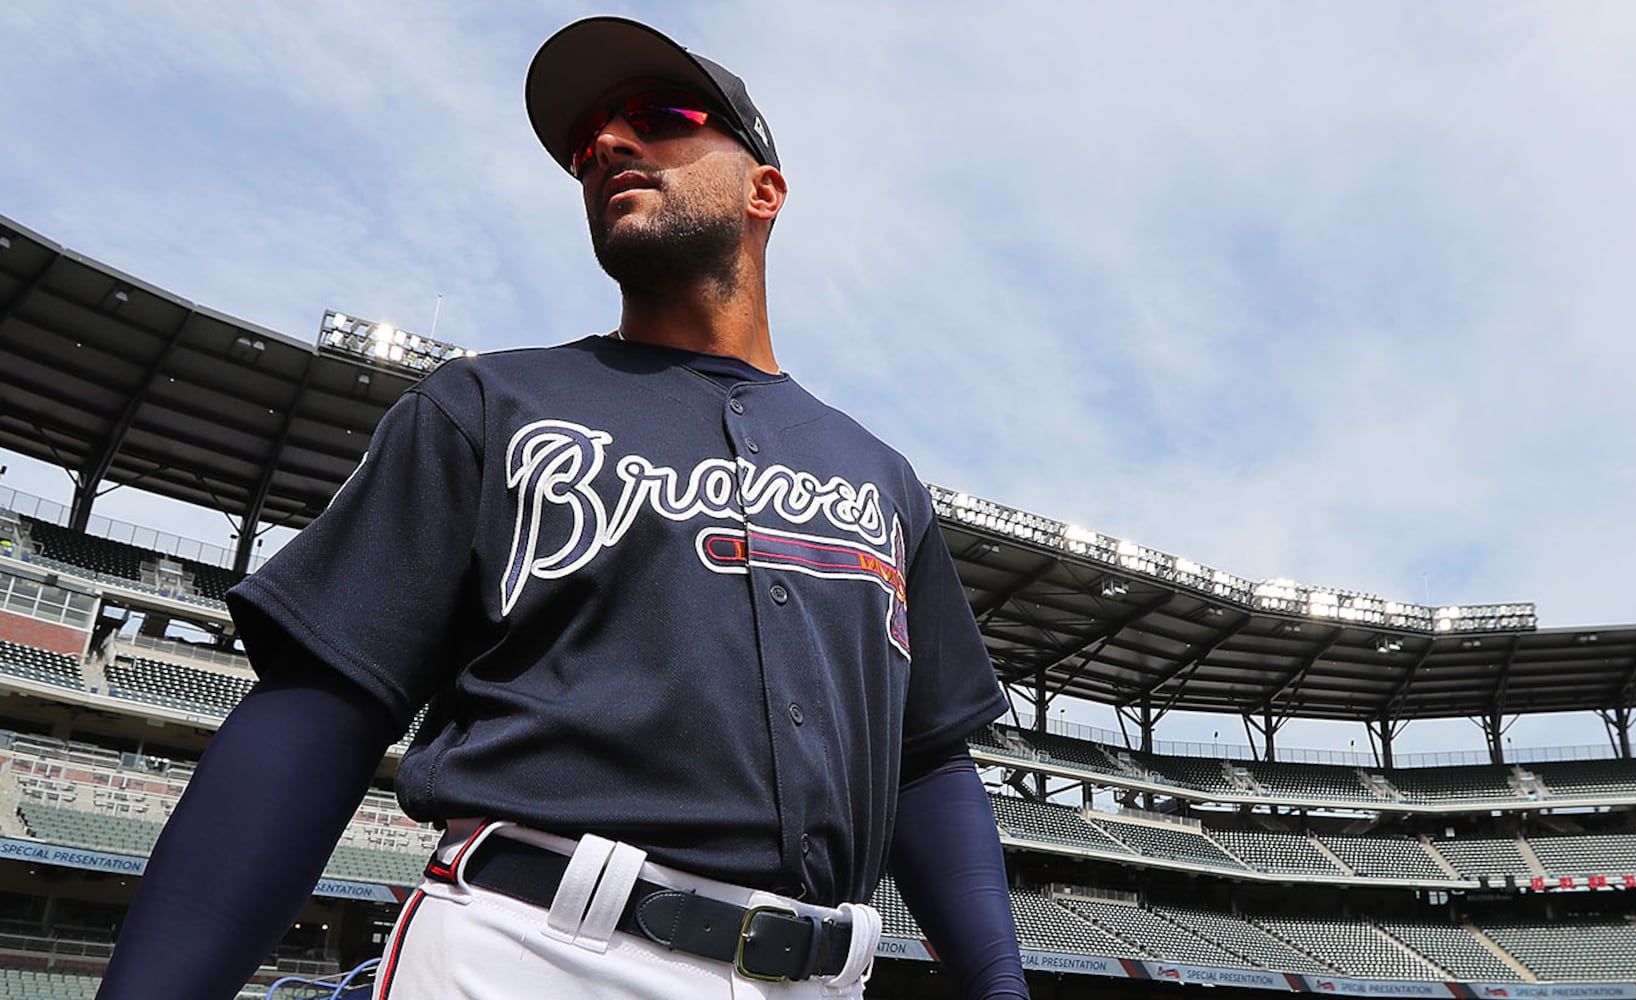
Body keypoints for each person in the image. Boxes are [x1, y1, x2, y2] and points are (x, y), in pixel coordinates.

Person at [97, 16, 1031, 1000]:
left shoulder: (880, 476)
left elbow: (927, 759)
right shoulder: (487, 409)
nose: (610, 147)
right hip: (535, 951)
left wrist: (997, 983)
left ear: (766, 190)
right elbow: (328, 704)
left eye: (660, 117)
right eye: (589, 145)